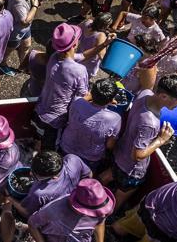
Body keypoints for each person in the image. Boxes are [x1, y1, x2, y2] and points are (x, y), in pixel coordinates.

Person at [102, 74, 177, 209]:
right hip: (131, 169)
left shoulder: (145, 93)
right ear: (163, 96)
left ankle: (93, 187)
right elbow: (137, 155)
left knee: (109, 174)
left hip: (120, 152)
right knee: (121, 195)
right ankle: (105, 215)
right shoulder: (150, 123)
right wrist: (161, 140)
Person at [4, 152, 91, 233]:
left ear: (54, 177)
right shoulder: (73, 159)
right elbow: (89, 174)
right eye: (32, 168)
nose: (30, 173)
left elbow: (26, 213)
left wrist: (10, 198)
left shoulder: (39, 193)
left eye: (35, 176)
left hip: (53, 218)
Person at [33, 23, 89, 151]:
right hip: (55, 121)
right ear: (74, 45)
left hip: (39, 111)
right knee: (50, 149)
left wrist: (103, 45)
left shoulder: (54, 57)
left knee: (38, 140)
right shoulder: (79, 70)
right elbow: (81, 98)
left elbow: (83, 56)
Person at [60, 79, 122, 169]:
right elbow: (110, 145)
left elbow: (83, 100)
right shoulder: (115, 118)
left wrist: (94, 97)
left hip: (66, 147)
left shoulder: (77, 102)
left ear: (91, 92)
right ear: (112, 100)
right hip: (90, 158)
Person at [28, 179, 115, 242]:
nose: (103, 215)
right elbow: (32, 224)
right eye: (97, 212)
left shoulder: (102, 209)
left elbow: (100, 223)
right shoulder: (53, 210)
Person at [1, 0, 41, 76]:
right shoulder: (17, 0)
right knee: (9, 50)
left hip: (25, 29)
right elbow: (24, 21)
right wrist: (35, 6)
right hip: (16, 30)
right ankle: (2, 64)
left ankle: (24, 66)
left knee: (26, 45)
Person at [75, 13, 113, 77]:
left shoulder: (87, 22)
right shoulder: (100, 35)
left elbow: (76, 28)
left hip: (79, 56)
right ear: (105, 26)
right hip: (89, 63)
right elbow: (102, 56)